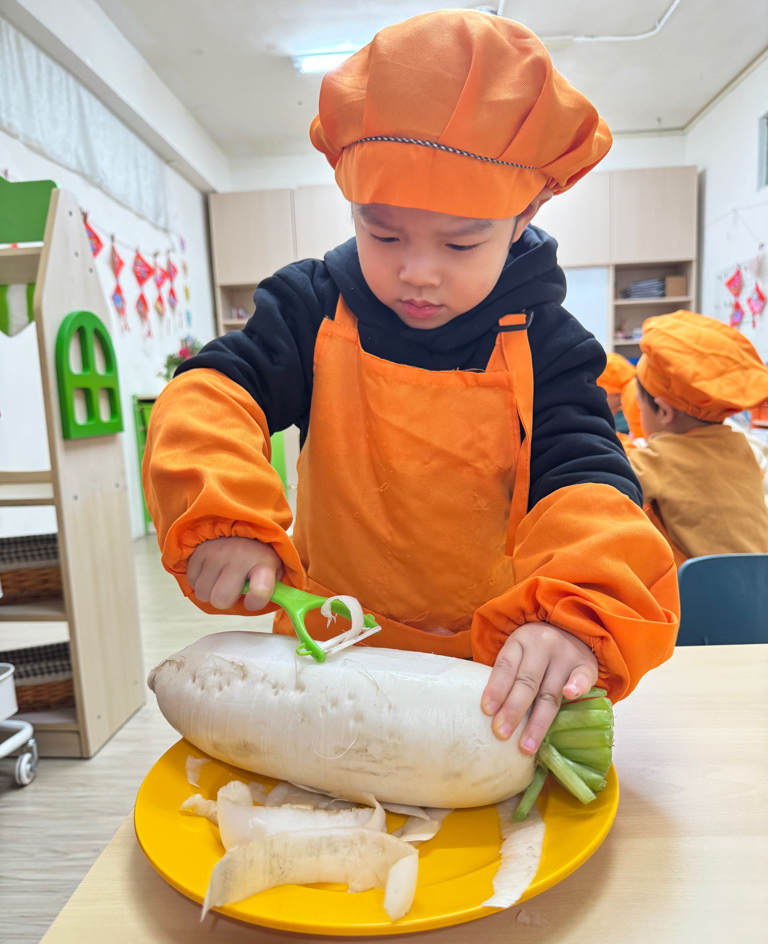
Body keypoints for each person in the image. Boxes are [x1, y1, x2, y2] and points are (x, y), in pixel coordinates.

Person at [143, 10, 678, 758]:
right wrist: (222, 513)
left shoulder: (552, 347)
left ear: (524, 213)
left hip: (487, 677)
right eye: (383, 233)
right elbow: (212, 393)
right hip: (323, 654)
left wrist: (576, 612)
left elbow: (586, 482)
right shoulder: (310, 308)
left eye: (461, 243)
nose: (416, 272)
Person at [627, 309, 768, 565]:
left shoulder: (659, 458)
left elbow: (611, 490)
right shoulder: (741, 446)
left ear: (664, 411)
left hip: (699, 587)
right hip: (759, 582)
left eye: (640, 406)